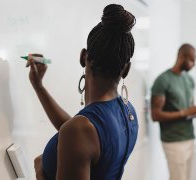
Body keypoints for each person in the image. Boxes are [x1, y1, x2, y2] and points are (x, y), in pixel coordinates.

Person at [28, 4, 138, 180]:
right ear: (126, 69)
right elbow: (78, 132)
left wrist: (40, 172)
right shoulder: (129, 112)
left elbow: (78, 133)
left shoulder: (81, 130)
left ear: (83, 56)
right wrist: (38, 86)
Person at [151, 43, 196, 180]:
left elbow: (189, 107)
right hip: (173, 140)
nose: (194, 63)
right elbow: (155, 115)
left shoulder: (189, 80)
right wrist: (185, 112)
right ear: (181, 57)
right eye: (192, 59)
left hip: (189, 137)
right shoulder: (163, 80)